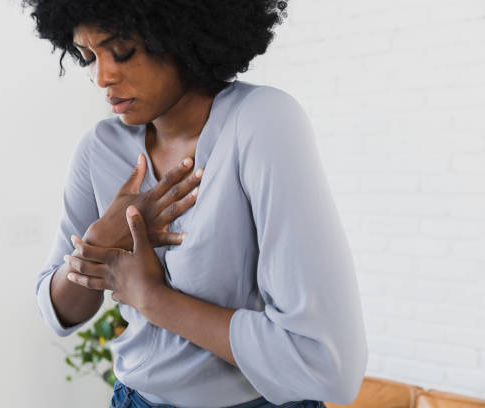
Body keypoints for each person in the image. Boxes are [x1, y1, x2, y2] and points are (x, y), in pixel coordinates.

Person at [22, 1, 368, 407]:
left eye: (122, 51)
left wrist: (150, 297)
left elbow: (328, 367)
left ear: (178, 35)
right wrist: (99, 243)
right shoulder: (99, 148)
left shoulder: (260, 121)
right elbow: (59, 313)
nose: (102, 77)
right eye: (88, 57)